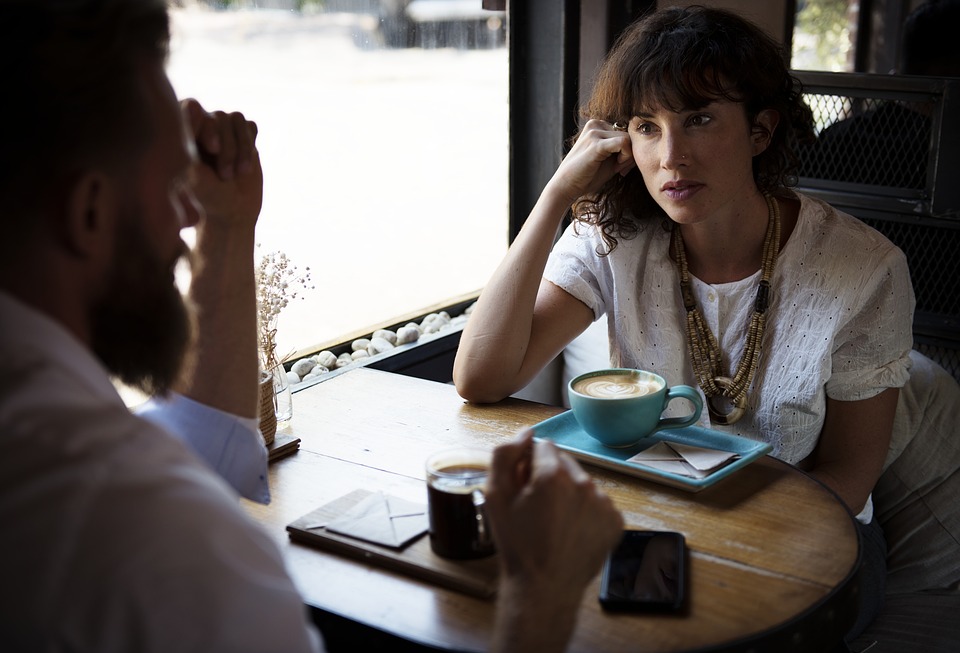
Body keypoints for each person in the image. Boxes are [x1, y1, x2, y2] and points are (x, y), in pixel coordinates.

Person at [0, 1, 622, 652]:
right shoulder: (159, 549)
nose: (187, 218)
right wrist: (540, 595)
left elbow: (202, 446)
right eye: (170, 189)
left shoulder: (51, 446)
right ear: (89, 212)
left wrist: (228, 224)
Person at [453, 5, 915, 642]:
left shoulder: (864, 268)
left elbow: (849, 477)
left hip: (813, 533)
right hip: (656, 522)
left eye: (699, 119)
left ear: (760, 130)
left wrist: (713, 542)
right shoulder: (614, 238)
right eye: (647, 127)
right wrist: (557, 194)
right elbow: (480, 377)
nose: (671, 155)